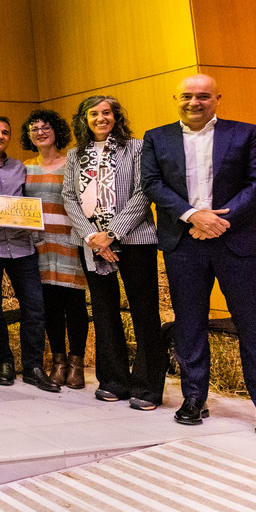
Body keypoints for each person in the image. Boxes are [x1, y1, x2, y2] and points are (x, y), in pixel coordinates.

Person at [142, 74, 256, 438]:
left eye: (203, 96)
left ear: (217, 98)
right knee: (189, 324)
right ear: (176, 98)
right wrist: (193, 215)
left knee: (254, 325)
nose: (195, 102)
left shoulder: (246, 133)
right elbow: (152, 183)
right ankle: (194, 398)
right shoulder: (157, 137)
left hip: (238, 241)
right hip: (183, 242)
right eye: (188, 96)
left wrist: (220, 221)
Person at [61, 97, 164, 409]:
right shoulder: (75, 154)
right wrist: (92, 235)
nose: (100, 118)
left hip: (133, 240)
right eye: (94, 114)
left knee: (144, 313)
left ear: (116, 116)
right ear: (84, 119)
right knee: (104, 313)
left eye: (106, 112)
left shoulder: (136, 147)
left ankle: (147, 388)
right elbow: (68, 195)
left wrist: (112, 234)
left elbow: (143, 191)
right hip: (91, 243)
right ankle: (114, 381)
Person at [0, 117, 60, 393]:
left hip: (23, 248)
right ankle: (4, 363)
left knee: (35, 309)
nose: (0, 136)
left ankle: (33, 367)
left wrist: (23, 217)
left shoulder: (19, 167)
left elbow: (29, 204)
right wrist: (3, 216)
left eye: (5, 132)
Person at [20, 108, 87, 389]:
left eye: (46, 127)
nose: (40, 132)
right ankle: (58, 362)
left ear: (57, 130)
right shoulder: (25, 167)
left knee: (74, 305)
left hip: (71, 241)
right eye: (34, 129)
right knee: (50, 306)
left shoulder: (73, 162)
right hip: (40, 245)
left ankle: (77, 363)